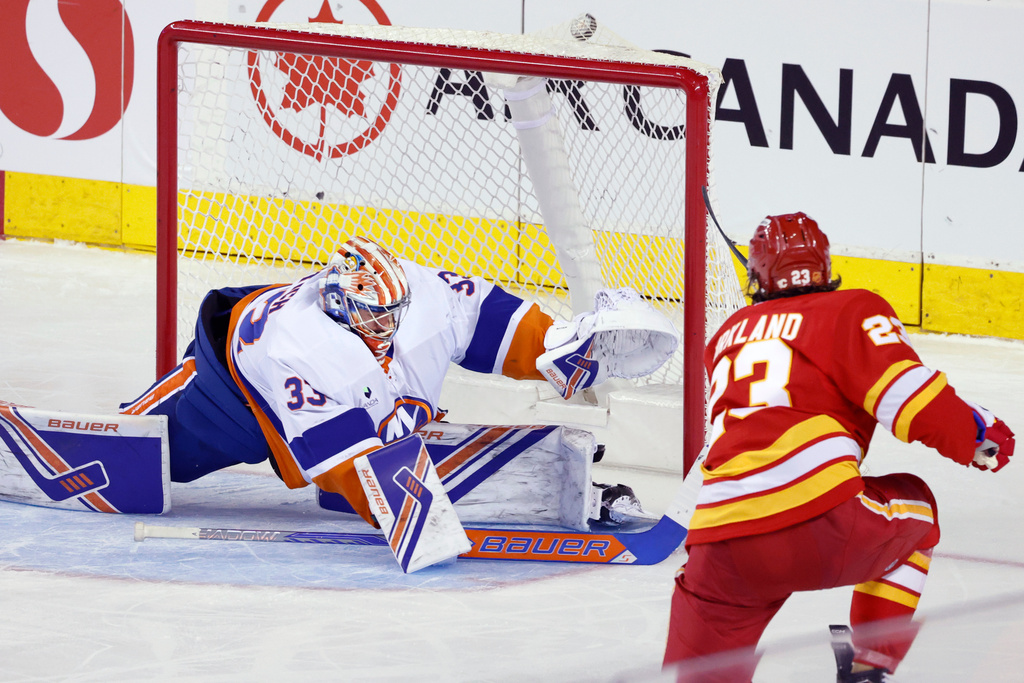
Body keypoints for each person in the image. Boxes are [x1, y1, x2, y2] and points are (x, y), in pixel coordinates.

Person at [662, 213, 1016, 682]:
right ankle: (872, 668)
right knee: (917, 507)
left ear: (758, 275)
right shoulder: (852, 309)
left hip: (718, 543)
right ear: (826, 266)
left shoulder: (724, 337)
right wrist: (978, 437)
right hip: (819, 519)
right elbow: (911, 402)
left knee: (699, 675)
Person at [121, 235, 678, 532]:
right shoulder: (302, 348)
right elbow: (346, 472)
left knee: (395, 433)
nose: (388, 327)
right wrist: (407, 508)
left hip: (330, 394)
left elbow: (492, 321)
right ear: (340, 305)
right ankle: (117, 435)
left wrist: (555, 346)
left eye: (394, 313)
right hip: (241, 395)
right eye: (373, 317)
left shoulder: (418, 295)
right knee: (160, 450)